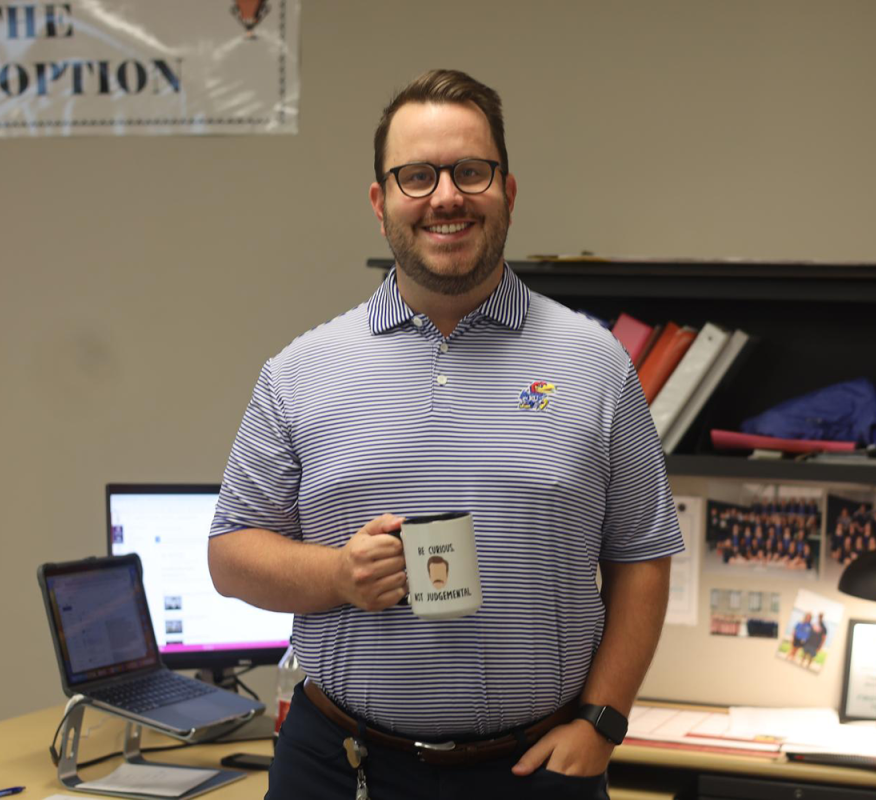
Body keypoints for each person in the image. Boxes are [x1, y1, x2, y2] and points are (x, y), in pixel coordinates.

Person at [207, 69, 684, 800]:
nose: (447, 197)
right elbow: (231, 555)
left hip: (534, 771)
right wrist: (337, 576)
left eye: (470, 172)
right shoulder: (300, 369)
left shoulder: (595, 362)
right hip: (341, 768)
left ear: (509, 192)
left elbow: (642, 553)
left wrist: (604, 719)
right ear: (381, 203)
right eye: (418, 176)